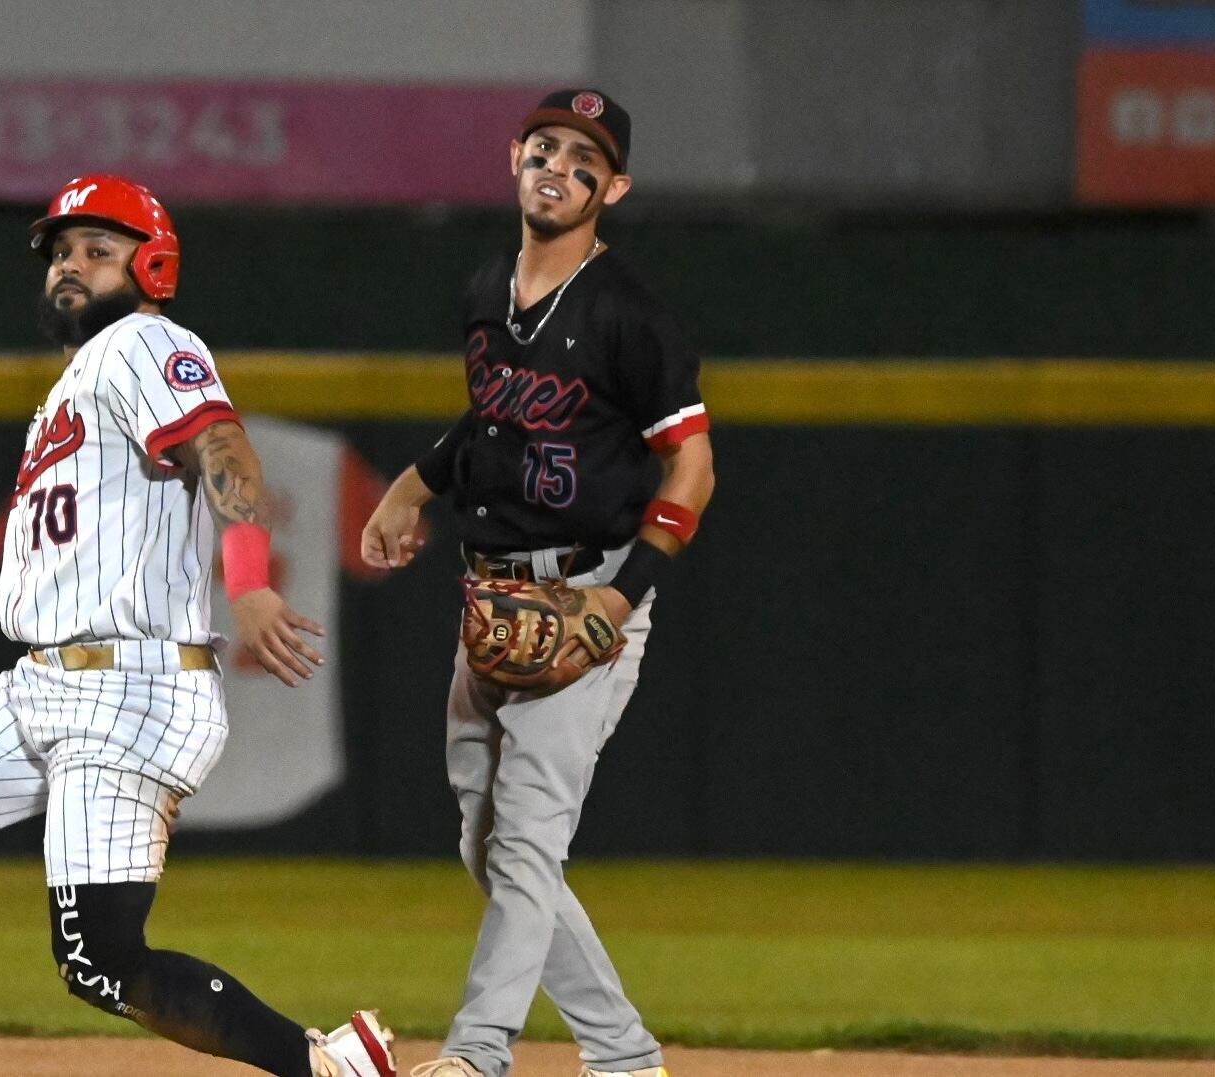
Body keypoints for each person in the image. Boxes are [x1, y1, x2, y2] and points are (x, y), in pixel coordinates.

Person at [0, 173, 397, 1077]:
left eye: (97, 250)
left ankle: (326, 1067)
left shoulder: (146, 341)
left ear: (151, 267)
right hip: (46, 682)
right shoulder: (74, 383)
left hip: (128, 686)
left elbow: (224, 447)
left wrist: (250, 585)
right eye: (61, 251)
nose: (69, 265)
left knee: (101, 960)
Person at [361, 89, 715, 1077]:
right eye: (545, 147)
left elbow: (692, 470)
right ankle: (620, 1053)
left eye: (584, 158)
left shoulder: (628, 316)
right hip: (488, 598)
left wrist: (619, 596)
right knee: (483, 842)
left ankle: (477, 1055)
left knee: (522, 843)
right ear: (514, 157)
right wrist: (410, 488)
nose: (559, 166)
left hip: (582, 596)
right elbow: (488, 423)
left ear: (615, 186)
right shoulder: (486, 289)